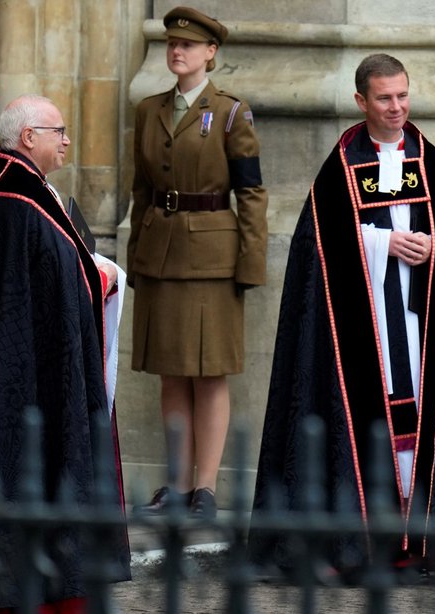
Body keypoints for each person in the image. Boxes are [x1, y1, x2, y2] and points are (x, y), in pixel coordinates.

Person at [247, 53, 435, 575]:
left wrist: (434, 247)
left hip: (418, 326)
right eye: (384, 98)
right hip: (364, 330)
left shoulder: (431, 163)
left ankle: (421, 540)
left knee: (422, 417)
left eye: (403, 96)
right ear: (361, 101)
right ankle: (365, 542)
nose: (396, 107)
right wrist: (381, 243)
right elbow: (316, 249)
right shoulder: (342, 168)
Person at [0, 94, 130, 614]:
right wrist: (101, 279)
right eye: (59, 131)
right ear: (28, 137)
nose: (67, 140)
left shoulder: (23, 189)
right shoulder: (16, 197)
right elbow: (55, 276)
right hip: (35, 371)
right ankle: (51, 601)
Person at [128, 6, 268, 520]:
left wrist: (251, 262)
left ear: (211, 53)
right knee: (170, 372)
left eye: (187, 46)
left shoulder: (232, 112)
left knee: (209, 374)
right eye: (171, 45)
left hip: (213, 258)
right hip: (159, 253)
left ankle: (205, 490)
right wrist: (135, 259)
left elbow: (252, 193)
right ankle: (176, 486)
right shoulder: (148, 110)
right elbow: (140, 191)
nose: (176, 52)